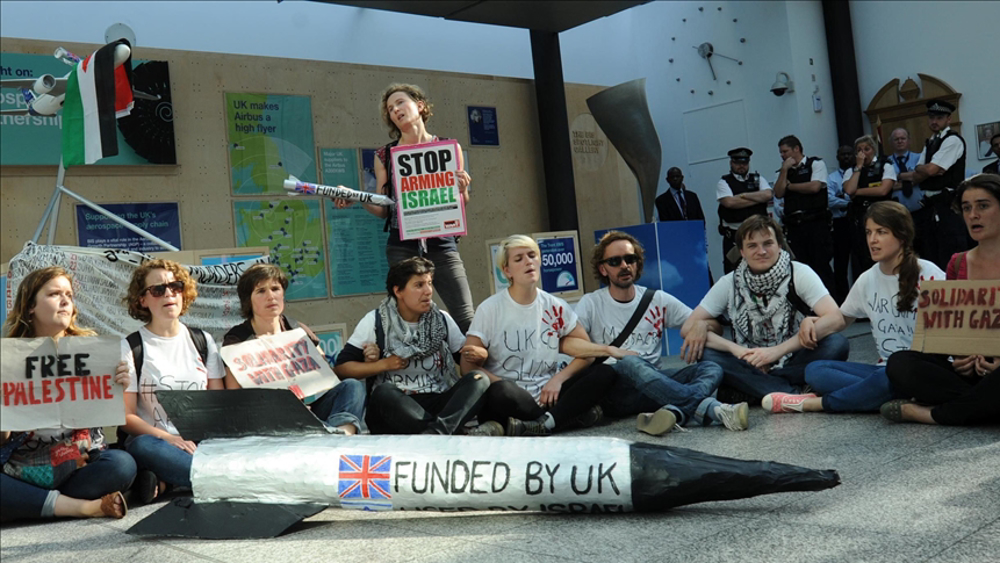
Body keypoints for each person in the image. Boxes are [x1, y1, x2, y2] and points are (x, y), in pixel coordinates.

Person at [761, 201, 944, 414]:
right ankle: (886, 396)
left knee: (890, 378)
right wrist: (810, 322)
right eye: (868, 232)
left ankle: (814, 403)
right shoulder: (867, 279)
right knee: (816, 371)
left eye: (881, 232)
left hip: (921, 370)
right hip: (883, 371)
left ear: (902, 236)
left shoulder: (929, 273)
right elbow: (839, 320)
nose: (872, 240)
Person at [573, 231, 749, 435]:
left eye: (630, 259)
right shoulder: (591, 303)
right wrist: (609, 350)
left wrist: (702, 326)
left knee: (711, 367)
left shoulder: (656, 299)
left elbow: (715, 326)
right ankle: (709, 408)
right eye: (615, 261)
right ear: (603, 269)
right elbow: (574, 345)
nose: (624, 266)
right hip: (617, 392)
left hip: (656, 386)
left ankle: (675, 411)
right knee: (629, 362)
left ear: (637, 263)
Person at [335, 83, 475, 332]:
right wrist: (357, 198)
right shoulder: (385, 156)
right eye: (390, 108)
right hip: (402, 245)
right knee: (408, 321)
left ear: (420, 105)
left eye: (400, 102)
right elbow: (383, 208)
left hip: (442, 243)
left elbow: (459, 204)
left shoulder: (449, 148)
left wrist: (462, 190)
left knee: (466, 319)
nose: (395, 110)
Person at [1, 266, 132, 521]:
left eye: (69, 295)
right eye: (54, 294)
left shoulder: (92, 350)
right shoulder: (7, 359)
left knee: (122, 464)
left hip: (78, 463)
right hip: (23, 467)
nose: (65, 301)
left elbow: (98, 427)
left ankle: (36, 504)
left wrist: (115, 389)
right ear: (30, 306)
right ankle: (84, 507)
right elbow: (2, 440)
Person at [682, 215, 849, 402]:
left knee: (837, 344)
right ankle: (791, 393)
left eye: (768, 243)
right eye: (752, 246)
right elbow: (687, 328)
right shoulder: (729, 282)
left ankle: (751, 390)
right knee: (704, 352)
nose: (761, 251)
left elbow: (836, 318)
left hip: (792, 357)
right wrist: (738, 351)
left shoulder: (799, 272)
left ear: (780, 245)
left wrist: (776, 352)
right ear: (742, 252)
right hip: (748, 361)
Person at [463, 235, 617, 436]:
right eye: (518, 259)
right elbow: (468, 368)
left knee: (606, 372)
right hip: (511, 397)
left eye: (532, 255)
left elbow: (587, 353)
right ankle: (562, 419)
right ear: (507, 271)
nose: (528, 261)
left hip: (549, 394)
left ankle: (541, 424)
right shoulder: (490, 309)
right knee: (501, 392)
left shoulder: (555, 305)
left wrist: (558, 380)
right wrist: (505, 384)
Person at [883, 173, 1000, 425]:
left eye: (983, 205)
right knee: (900, 363)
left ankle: (933, 414)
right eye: (967, 208)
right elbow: (950, 332)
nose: (973, 215)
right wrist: (959, 358)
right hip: (972, 372)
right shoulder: (957, 263)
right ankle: (982, 406)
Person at [334, 257, 494, 435]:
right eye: (419, 285)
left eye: (430, 284)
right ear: (398, 291)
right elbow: (342, 368)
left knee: (479, 379)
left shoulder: (441, 319)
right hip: (397, 405)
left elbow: (465, 364)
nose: (428, 292)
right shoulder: (376, 320)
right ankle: (447, 432)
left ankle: (435, 434)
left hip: (438, 401)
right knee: (384, 392)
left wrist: (479, 355)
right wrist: (382, 365)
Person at [120, 260, 225, 496]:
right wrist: (169, 439)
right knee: (142, 446)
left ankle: (171, 481)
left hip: (202, 441)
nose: (168, 293)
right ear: (142, 300)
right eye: (158, 290)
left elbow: (219, 404)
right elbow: (125, 417)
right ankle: (219, 481)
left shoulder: (203, 340)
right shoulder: (131, 346)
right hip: (157, 442)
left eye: (175, 286)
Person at [222, 264, 364, 435]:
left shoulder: (297, 329)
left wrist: (316, 360)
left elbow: (324, 375)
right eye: (261, 291)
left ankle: (342, 435)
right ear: (248, 301)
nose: (270, 296)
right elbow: (234, 395)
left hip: (306, 411)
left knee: (352, 387)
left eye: (275, 289)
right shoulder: (237, 339)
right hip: (265, 419)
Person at [897, 99, 970, 270]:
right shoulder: (931, 141)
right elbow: (919, 173)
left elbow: (928, 171)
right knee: (932, 255)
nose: (934, 121)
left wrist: (925, 170)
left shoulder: (952, 140)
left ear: (948, 119)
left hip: (948, 203)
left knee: (952, 253)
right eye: (931, 117)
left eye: (939, 117)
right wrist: (922, 170)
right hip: (930, 205)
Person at [773, 135, 835, 293]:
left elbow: (815, 187)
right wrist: (785, 170)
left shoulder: (816, 164)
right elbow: (779, 192)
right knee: (801, 267)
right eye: (781, 152)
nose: (782, 155)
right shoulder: (783, 172)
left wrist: (791, 186)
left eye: (785, 151)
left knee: (821, 265)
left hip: (815, 222)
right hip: (795, 225)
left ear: (797, 149)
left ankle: (832, 305)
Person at [844, 135, 898, 280]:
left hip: (882, 215)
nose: (863, 153)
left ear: (873, 149)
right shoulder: (851, 170)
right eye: (859, 150)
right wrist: (859, 167)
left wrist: (858, 192)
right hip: (860, 217)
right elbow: (849, 190)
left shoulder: (885, 165)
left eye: (866, 149)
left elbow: (883, 190)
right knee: (862, 257)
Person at [716, 148, 773, 273]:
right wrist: (757, 198)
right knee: (735, 272)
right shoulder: (724, 182)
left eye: (744, 163)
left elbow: (768, 195)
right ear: (731, 163)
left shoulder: (758, 179)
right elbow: (729, 202)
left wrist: (742, 196)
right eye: (737, 163)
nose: (741, 166)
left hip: (758, 233)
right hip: (736, 235)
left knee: (762, 269)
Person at [826, 145, 854, 302]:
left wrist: (843, 199)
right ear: (837, 157)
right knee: (841, 264)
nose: (846, 157)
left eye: (849, 154)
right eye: (843, 154)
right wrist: (849, 202)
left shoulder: (859, 174)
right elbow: (829, 200)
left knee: (861, 260)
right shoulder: (832, 178)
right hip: (840, 223)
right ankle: (843, 300)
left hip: (857, 222)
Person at [888, 128, 923, 212]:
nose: (900, 141)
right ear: (891, 142)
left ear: (909, 140)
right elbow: (886, 186)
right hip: (896, 213)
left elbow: (924, 178)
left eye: (903, 138)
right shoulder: (885, 162)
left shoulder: (920, 158)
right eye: (896, 139)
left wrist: (897, 178)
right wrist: (913, 181)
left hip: (921, 210)